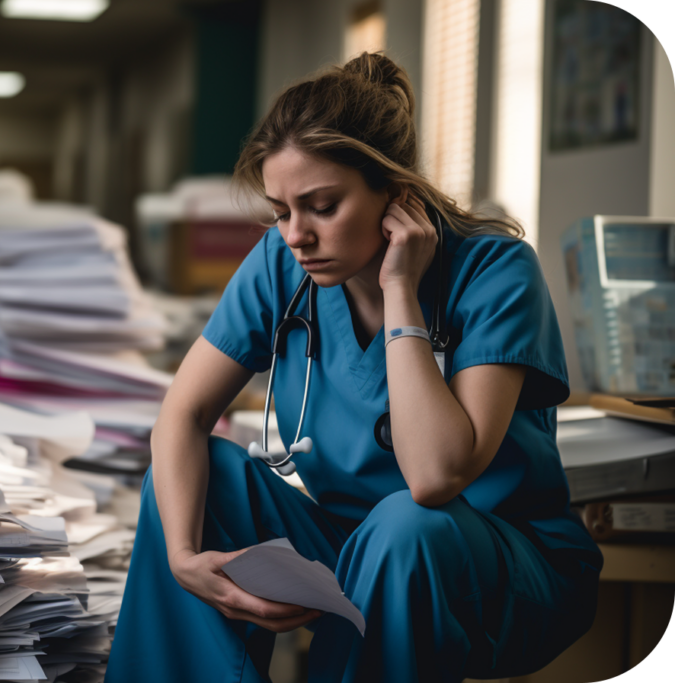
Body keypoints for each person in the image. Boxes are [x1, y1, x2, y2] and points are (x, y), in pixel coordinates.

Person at [105, 53, 603, 683]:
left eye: (322, 206)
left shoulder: (496, 272)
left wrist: (402, 292)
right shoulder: (282, 266)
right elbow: (184, 413)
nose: (295, 236)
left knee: (407, 524)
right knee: (206, 478)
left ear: (394, 191)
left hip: (500, 569)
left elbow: (433, 481)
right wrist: (181, 556)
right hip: (348, 549)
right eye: (282, 211)